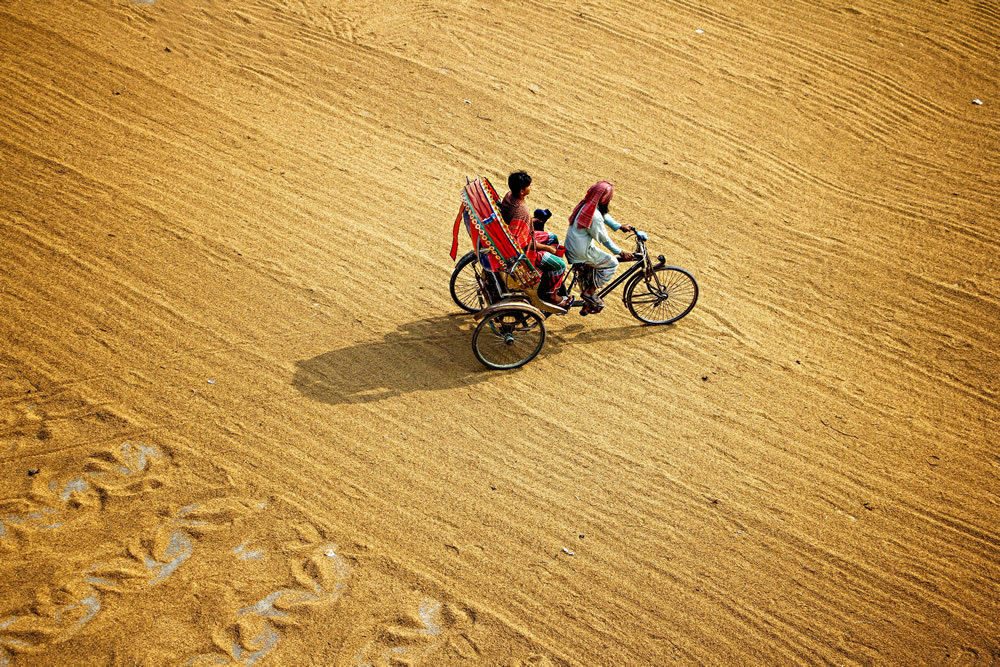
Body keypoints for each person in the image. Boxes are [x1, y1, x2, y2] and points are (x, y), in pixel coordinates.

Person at [500, 171, 571, 308]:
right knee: (560, 265)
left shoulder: (509, 196)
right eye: (528, 186)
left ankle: (549, 278)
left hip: (520, 233)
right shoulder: (521, 212)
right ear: (522, 191)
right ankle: (551, 295)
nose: (530, 187)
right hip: (525, 252)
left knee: (552, 237)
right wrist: (546, 248)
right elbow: (521, 244)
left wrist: (531, 221)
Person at [565, 180, 635, 312]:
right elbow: (605, 239)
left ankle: (588, 300)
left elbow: (604, 215)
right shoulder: (594, 217)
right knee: (612, 263)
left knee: (599, 261)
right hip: (581, 252)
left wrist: (619, 226)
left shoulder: (587, 205)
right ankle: (589, 292)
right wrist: (620, 252)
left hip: (574, 247)